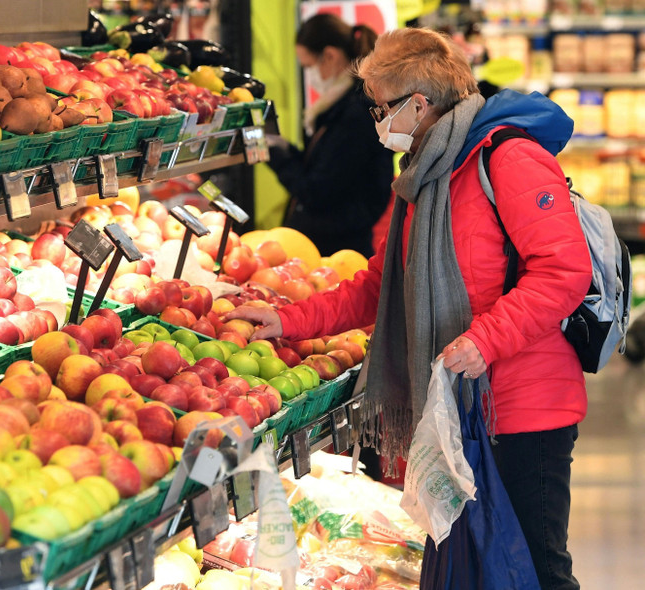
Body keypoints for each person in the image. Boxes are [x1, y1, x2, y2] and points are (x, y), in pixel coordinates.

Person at [229, 27, 591, 590]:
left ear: (417, 104)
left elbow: (562, 271)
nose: (377, 121)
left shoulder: (508, 160)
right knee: (476, 567)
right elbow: (380, 285)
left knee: (535, 568)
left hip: (523, 407)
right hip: (455, 407)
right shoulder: (424, 175)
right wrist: (289, 320)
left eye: (380, 107)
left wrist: (484, 340)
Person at [266, 14, 393, 258]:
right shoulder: (342, 105)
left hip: (338, 250)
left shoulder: (355, 113)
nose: (309, 75)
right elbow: (324, 168)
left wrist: (275, 154)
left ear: (330, 56)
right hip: (333, 242)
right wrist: (283, 148)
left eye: (307, 66)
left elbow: (318, 190)